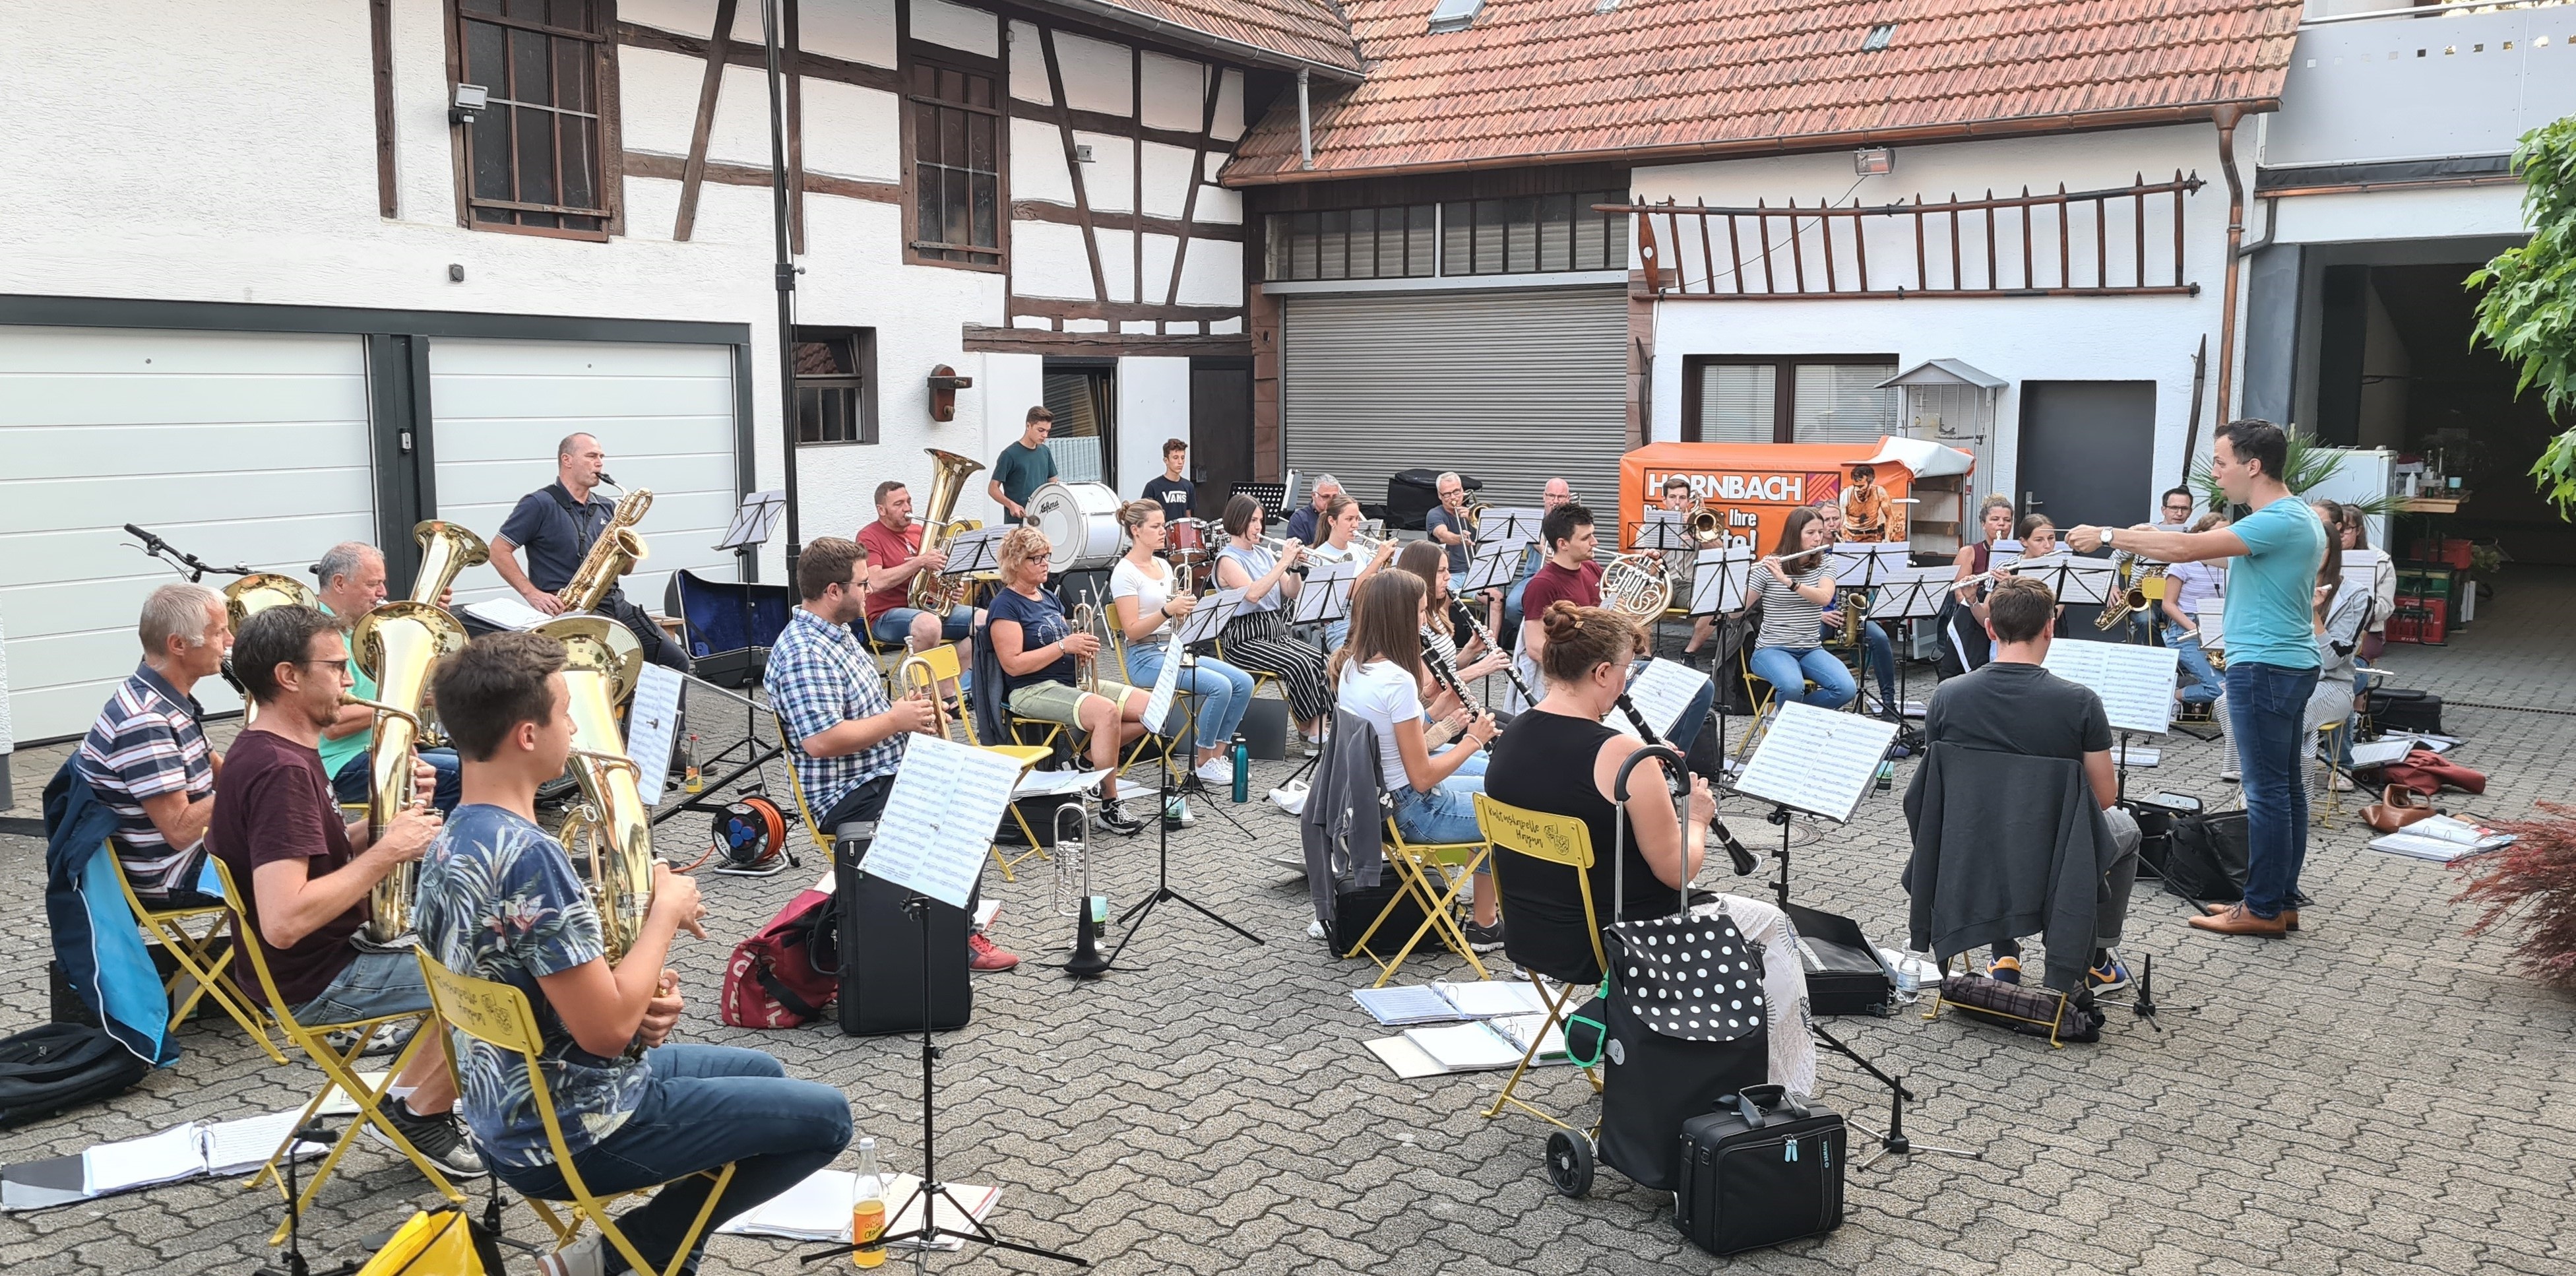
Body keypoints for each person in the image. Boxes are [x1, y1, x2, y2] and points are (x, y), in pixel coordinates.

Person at [414, 631, 854, 1276]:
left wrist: (637, 990)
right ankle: (632, 1255)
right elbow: (607, 1031)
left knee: (764, 1074)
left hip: (504, 1111)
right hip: (572, 1126)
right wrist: (662, 916)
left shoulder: (452, 836)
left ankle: (652, 1255)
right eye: (565, 710)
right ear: (528, 736)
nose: (576, 723)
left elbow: (547, 994)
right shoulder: (529, 856)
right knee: (828, 1118)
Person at [206, 605, 482, 1176]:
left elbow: (306, 857)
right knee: (500, 971)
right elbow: (284, 919)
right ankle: (420, 1111)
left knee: (479, 940)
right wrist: (387, 851)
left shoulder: (268, 750)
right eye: (336, 668)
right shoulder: (280, 770)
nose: (350, 682)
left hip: (314, 962)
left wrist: (386, 823)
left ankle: (410, 1099)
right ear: (289, 676)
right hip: (317, 977)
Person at [2068, 419, 2329, 938]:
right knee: (2283, 791)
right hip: (2284, 663)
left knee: (2267, 792)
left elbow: (2186, 551)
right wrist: (2150, 537)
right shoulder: (2290, 516)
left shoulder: (2279, 519)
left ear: (2252, 467)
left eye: (2221, 462)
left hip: (2267, 667)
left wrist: (2104, 536)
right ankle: (2278, 900)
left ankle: (2260, 907)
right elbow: (2192, 542)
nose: (2215, 474)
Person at [764, 539, 1017, 970]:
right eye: (862, 584)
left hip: (877, 773)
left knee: (973, 783)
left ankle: (952, 922)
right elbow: (822, 741)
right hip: (847, 795)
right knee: (956, 806)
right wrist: (897, 721)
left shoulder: (836, 633)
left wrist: (915, 716)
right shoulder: (805, 654)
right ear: (832, 592)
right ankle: (958, 938)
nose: (869, 592)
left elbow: (864, 715)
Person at [1915, 575, 2141, 992]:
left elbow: (1935, 788)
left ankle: (2003, 955)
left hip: (1971, 841)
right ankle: (2095, 959)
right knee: (2128, 827)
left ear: (1989, 628)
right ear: (2050, 627)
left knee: (1997, 826)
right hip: (2055, 850)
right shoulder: (2080, 702)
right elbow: (2106, 797)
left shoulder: (1947, 695)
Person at [1487, 602, 1712, 982]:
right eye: (1627, 670)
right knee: (1771, 925)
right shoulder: (1624, 754)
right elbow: (1679, 871)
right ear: (1604, 673)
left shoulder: (1512, 734)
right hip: (1619, 939)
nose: (1628, 681)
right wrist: (1696, 819)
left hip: (1531, 937)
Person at [1331, 572, 1500, 936]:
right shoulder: (1398, 680)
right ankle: (1486, 923)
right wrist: (1473, 738)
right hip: (1411, 810)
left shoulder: (1352, 667)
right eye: (1422, 612)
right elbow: (1422, 775)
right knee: (1507, 809)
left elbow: (1393, 737)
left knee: (1495, 778)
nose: (1425, 620)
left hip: (1378, 806)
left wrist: (1438, 711)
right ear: (1401, 617)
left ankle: (1478, 898)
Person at [986, 525, 1152, 835]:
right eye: (1036, 559)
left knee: (1152, 710)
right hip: (1031, 688)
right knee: (1106, 713)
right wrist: (1064, 646)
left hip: (1068, 681)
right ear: (1015, 563)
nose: (1045, 564)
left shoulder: (1048, 596)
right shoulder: (1004, 606)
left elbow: (1064, 639)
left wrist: (1081, 648)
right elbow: (1014, 665)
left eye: (1047, 556)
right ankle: (1109, 804)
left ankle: (1086, 763)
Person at [75, 583, 230, 907]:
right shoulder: (146, 721)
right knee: (309, 864)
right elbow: (179, 829)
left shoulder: (167, 699)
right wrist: (252, 776)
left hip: (194, 854)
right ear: (179, 644)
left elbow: (221, 772)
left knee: (312, 836)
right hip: (171, 874)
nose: (229, 643)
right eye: (219, 633)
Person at [489, 432, 687, 672]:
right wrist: (532, 594)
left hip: (614, 603)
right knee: (602, 672)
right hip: (570, 609)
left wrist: (627, 549)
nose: (600, 462)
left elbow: (625, 570)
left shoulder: (607, 506)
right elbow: (499, 550)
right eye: (592, 456)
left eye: (602, 456)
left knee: (675, 660)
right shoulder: (539, 503)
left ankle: (652, 711)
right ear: (567, 460)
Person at [1110, 501, 1256, 787]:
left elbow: (1175, 618)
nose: (1163, 532)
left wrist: (1188, 609)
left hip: (1173, 649)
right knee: (1220, 686)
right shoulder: (1124, 572)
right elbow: (1132, 630)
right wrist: (1168, 610)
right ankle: (1203, 761)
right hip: (1145, 656)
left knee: (1244, 681)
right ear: (1136, 531)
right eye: (1155, 527)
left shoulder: (1164, 565)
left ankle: (1216, 756)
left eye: (1163, 525)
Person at [313, 541, 463, 813]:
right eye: (373, 584)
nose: (383, 593)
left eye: (382, 583)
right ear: (339, 583)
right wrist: (413, 702)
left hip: (376, 746)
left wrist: (431, 617)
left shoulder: (357, 625)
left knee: (472, 760)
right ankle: (424, 852)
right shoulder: (320, 634)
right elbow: (334, 724)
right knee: (461, 775)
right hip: (338, 764)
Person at [1210, 495, 1331, 751]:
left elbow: (1291, 591)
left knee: (1323, 659)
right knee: (1297, 664)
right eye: (1253, 521)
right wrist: (1284, 562)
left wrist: (1296, 568)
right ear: (1237, 520)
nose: (1259, 527)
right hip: (1243, 636)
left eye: (1261, 521)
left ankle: (1317, 729)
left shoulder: (1264, 555)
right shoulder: (1228, 559)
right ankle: (1307, 729)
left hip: (1274, 629)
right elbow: (1253, 594)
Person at [855, 480, 981, 693]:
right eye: (899, 504)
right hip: (885, 617)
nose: (908, 508)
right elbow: (874, 582)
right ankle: (924, 693)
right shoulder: (869, 536)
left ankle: (949, 690)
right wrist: (919, 561)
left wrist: (950, 588)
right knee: (929, 625)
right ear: (881, 510)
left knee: (989, 622)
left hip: (927, 609)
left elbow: (935, 575)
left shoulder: (920, 531)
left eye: (909, 501)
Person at [1747, 507, 1856, 710]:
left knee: (1846, 688)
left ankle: (1782, 717)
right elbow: (1737, 611)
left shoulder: (1826, 563)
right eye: (1810, 533)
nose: (1817, 539)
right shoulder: (1770, 567)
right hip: (1772, 649)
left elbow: (1824, 597)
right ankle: (1786, 725)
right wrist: (1734, 580)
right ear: (1794, 535)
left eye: (1820, 533)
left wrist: (1788, 582)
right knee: (1792, 687)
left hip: (1810, 648)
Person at [1813, 501, 1899, 720]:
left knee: (1879, 638)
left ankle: (1888, 702)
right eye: (1826, 520)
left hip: (1846, 614)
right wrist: (1820, 614)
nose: (1832, 525)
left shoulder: (1850, 550)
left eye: (1836, 519)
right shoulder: (1809, 552)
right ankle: (1820, 697)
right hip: (1818, 616)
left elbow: (1861, 588)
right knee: (1810, 644)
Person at [1307, 493, 1398, 649]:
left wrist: (1386, 562)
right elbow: (1350, 592)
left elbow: (1376, 582)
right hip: (1341, 624)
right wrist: (1378, 559)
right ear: (1332, 521)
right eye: (1349, 519)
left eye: (1357, 519)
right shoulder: (1321, 555)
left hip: (1368, 617)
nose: (1355, 525)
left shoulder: (1358, 549)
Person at [1942, 495, 2019, 674]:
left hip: (2006, 623)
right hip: (1972, 623)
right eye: (1995, 520)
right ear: (1983, 524)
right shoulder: (1969, 552)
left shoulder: (2018, 555)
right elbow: (1961, 596)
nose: (2002, 525)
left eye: (2007, 520)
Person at [2161, 513, 2230, 711]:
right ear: (2201, 534)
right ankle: (2173, 697)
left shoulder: (2227, 565)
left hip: (2218, 629)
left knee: (2238, 686)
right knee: (2220, 689)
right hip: (2186, 632)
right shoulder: (2182, 564)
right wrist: (2196, 629)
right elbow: (2168, 605)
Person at [1500, 477, 1574, 634]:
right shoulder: (1532, 520)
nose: (1555, 501)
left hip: (1566, 578)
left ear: (1568, 499)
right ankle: (1534, 635)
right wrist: (1540, 546)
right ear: (1544, 497)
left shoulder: (1575, 523)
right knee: (1513, 606)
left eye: (1561, 497)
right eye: (1551, 496)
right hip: (1534, 577)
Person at [1664, 476, 1719, 664]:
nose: (1677, 502)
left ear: (1689, 501)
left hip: (1687, 585)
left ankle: (1688, 652)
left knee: (1713, 604)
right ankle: (1645, 654)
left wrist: (1698, 531)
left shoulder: (1695, 526)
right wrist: (1673, 532)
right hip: (1660, 583)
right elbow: (1645, 563)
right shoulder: (1650, 527)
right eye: (1673, 497)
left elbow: (1720, 551)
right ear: (1664, 501)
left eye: (1682, 498)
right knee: (1637, 605)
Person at [988, 407, 1058, 521]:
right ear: (1028, 426)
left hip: (1043, 521)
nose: (1045, 435)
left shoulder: (1045, 452)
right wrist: (1011, 505)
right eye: (1041, 430)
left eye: (1047, 431)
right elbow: (992, 489)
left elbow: (1053, 483)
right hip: (1018, 524)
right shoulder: (1009, 454)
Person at [1424, 472, 1474, 576]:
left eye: (1456, 492)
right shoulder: (1435, 514)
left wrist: (1472, 519)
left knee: (1496, 593)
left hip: (1473, 572)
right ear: (1439, 495)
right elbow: (1443, 535)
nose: (1453, 497)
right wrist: (1461, 539)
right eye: (1447, 494)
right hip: (1448, 574)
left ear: (1462, 490)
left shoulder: (1472, 513)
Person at [1139, 438, 1196, 523]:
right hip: (1160, 533)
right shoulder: (1153, 486)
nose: (1180, 462)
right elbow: (1144, 516)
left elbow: (1188, 516)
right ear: (1166, 460)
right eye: (1175, 458)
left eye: (1183, 458)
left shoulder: (1189, 486)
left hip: (1182, 534)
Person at [1282, 473, 1342, 546]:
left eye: (1335, 496)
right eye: (1326, 496)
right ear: (1314, 496)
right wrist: (1331, 544)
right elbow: (1296, 552)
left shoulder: (1343, 514)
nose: (1331, 500)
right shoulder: (1299, 518)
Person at [1840, 464, 1891, 542]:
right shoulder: (1846, 494)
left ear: (1870, 483)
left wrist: (1887, 538)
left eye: (1861, 486)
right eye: (1855, 486)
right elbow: (1841, 519)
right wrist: (1842, 537)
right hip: (1851, 535)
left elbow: (1889, 517)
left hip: (1871, 535)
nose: (1857, 489)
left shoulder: (1879, 492)